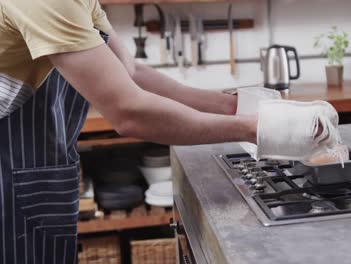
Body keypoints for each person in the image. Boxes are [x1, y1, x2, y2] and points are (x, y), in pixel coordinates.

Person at [0, 0, 257, 262]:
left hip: (36, 163)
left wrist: (227, 106)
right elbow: (129, 113)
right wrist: (253, 128)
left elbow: (127, 71)